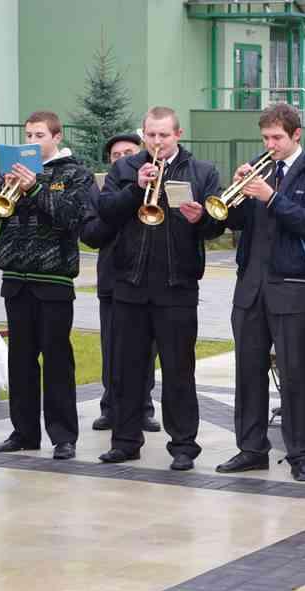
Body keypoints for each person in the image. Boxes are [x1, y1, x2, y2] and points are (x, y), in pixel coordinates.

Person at [215, 103, 305, 482]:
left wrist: (270, 196)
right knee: (248, 372)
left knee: (296, 373)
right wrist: (233, 195)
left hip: (293, 287)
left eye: (277, 138)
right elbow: (233, 222)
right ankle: (251, 449)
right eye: (266, 137)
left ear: (296, 135)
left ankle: (301, 455)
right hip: (250, 286)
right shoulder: (259, 166)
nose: (270, 145)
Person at [97, 106, 222, 467]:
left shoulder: (202, 172)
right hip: (130, 284)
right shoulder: (125, 168)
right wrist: (136, 189)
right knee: (126, 369)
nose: (156, 142)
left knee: (178, 370)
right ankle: (124, 441)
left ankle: (183, 446)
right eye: (151, 135)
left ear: (178, 135)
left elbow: (216, 225)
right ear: (144, 134)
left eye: (164, 135)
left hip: (177, 285)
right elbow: (107, 213)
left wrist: (201, 221)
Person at [0, 110, 93, 460]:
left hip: (54, 278)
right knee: (21, 360)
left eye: (39, 135)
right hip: (15, 279)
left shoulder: (76, 173)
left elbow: (73, 217)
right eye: (28, 135)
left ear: (56, 137)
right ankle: (23, 433)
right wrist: (5, 186)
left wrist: (36, 187)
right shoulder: (11, 172)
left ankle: (63, 436)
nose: (31, 141)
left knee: (57, 359)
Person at [81, 132, 161, 434]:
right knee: (112, 347)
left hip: (144, 279)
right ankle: (110, 406)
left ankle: (144, 407)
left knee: (146, 348)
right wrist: (117, 212)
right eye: (116, 155)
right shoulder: (101, 188)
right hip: (113, 277)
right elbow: (90, 233)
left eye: (129, 151)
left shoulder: (152, 180)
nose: (123, 158)